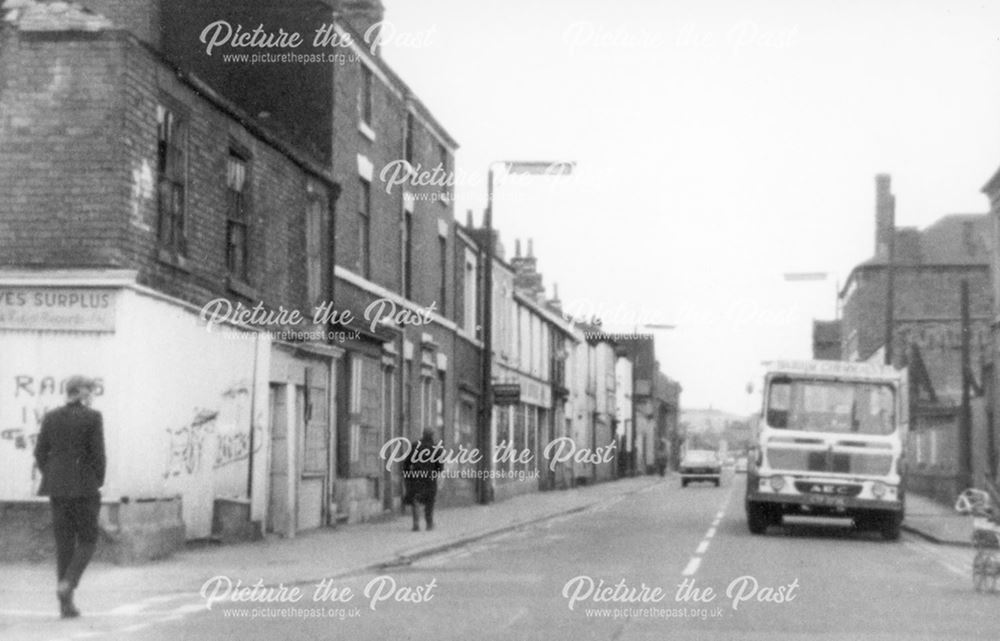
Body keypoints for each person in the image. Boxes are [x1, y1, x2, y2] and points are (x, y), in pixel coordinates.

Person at [33, 376, 105, 619]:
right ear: (81, 392)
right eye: (89, 389)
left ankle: (66, 606)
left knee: (64, 545)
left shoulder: (51, 416)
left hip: (57, 489)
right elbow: (98, 454)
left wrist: (52, 475)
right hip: (84, 488)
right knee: (88, 540)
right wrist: (97, 480)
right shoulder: (93, 417)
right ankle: (69, 582)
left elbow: (40, 451)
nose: (92, 393)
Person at [401, 429, 443, 531]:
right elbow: (440, 467)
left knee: (416, 499)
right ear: (432, 436)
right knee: (430, 501)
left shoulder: (415, 445)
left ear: (423, 435)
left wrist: (408, 476)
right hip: (430, 479)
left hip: (416, 478)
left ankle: (416, 524)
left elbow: (406, 463)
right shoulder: (437, 448)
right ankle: (429, 524)